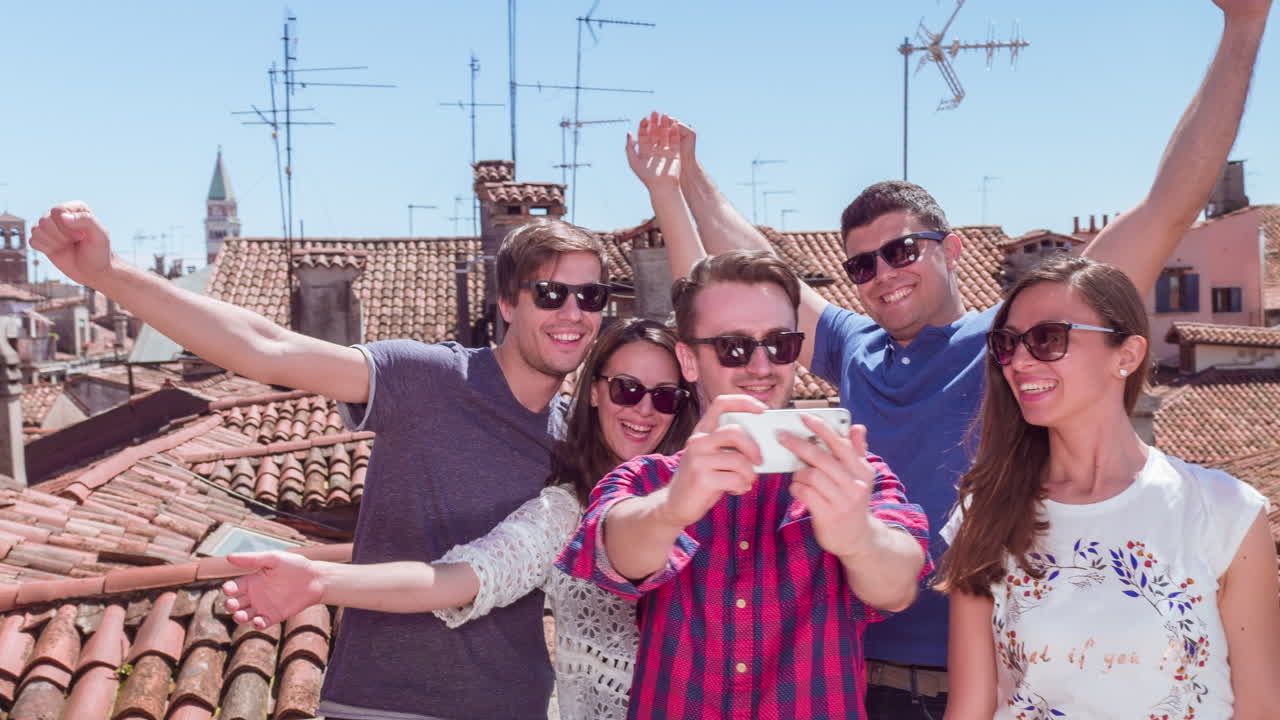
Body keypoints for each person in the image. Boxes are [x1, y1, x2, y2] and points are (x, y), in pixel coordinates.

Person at [629, 2, 1271, 714]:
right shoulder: (850, 348)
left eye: (902, 250)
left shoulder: (1020, 342)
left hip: (982, 681)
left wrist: (1243, 28)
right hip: (853, 678)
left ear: (952, 247)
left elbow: (1166, 209)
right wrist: (688, 176)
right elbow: (745, 282)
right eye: (863, 265)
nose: (884, 273)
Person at [29, 206, 608, 719]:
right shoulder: (432, 378)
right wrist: (108, 275)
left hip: (516, 704)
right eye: (550, 294)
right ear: (507, 303)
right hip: (384, 702)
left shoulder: (575, 444)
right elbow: (266, 347)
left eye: (591, 296)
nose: (573, 312)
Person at [222, 318, 701, 720]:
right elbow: (460, 577)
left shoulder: (721, 496)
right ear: (596, 393)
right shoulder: (570, 511)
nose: (643, 409)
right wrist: (321, 579)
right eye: (627, 389)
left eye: (664, 396)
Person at [557, 249, 932, 719]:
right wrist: (673, 507)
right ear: (688, 361)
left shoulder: (851, 473)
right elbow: (616, 551)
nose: (761, 366)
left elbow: (899, 584)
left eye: (780, 344)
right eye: (734, 346)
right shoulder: (649, 478)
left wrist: (858, 539)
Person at [936, 254, 1280, 719]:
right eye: (1007, 343)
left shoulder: (1227, 512)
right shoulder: (985, 513)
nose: (1018, 360)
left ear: (1128, 355)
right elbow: (971, 708)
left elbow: (1260, 708)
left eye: (1047, 339)